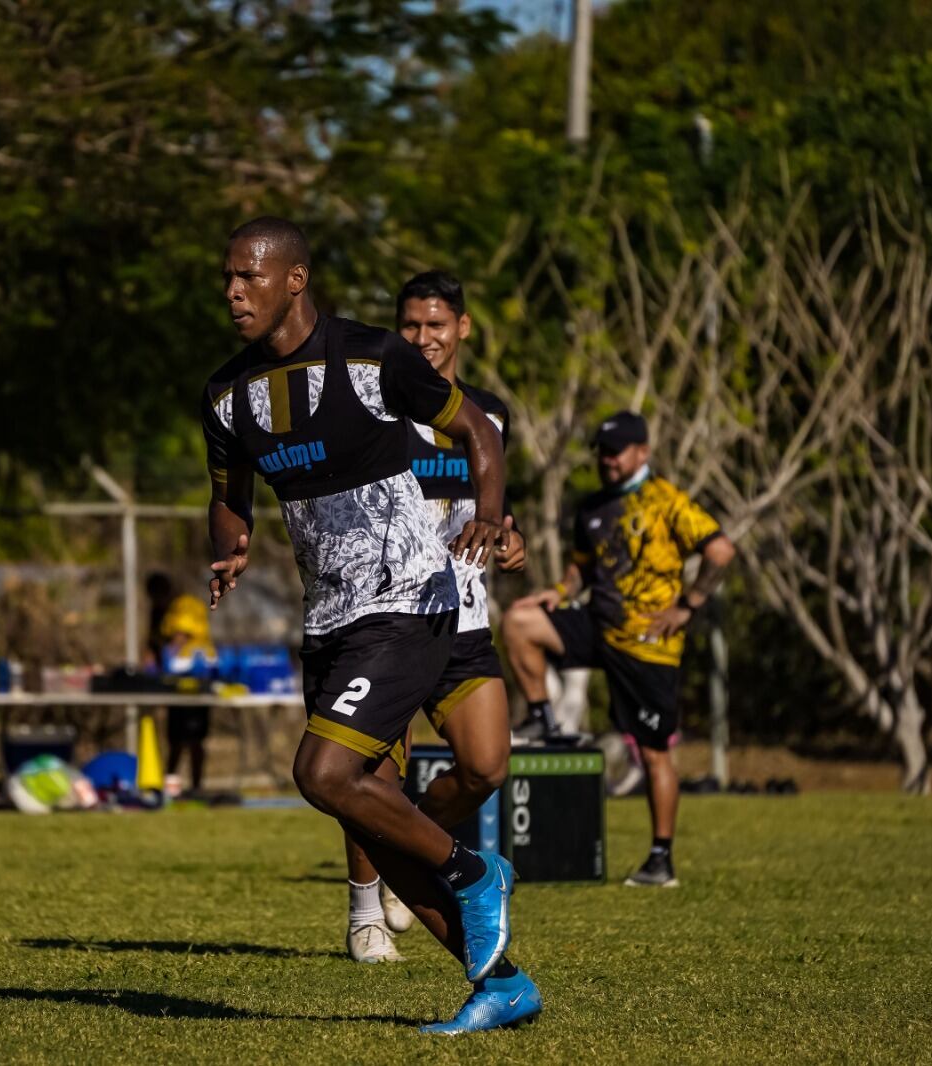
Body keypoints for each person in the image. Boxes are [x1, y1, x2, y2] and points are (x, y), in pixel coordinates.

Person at [204, 217, 539, 1034]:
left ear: (295, 279)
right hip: (330, 620)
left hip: (409, 601)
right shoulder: (225, 395)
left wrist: (492, 516)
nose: (233, 291)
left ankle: (472, 869)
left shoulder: (373, 357)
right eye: (227, 277)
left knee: (321, 775)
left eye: (249, 276)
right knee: (372, 818)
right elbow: (228, 494)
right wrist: (232, 546)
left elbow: (480, 431)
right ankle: (501, 983)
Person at [336, 270, 527, 965]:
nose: (423, 340)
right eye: (410, 328)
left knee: (485, 766)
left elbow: (494, 506)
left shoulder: (491, 414)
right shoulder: (372, 411)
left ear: (463, 329)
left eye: (436, 327)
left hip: (463, 619)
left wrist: (509, 535)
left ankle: (405, 861)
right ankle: (365, 914)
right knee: (370, 773)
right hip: (385, 619)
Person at [502, 412, 736, 888]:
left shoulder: (666, 501)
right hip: (598, 627)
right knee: (519, 621)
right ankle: (544, 720)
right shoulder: (592, 507)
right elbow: (582, 569)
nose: (608, 460)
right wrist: (560, 592)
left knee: (653, 756)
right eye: (603, 452)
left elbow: (720, 551)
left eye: (618, 451)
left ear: (643, 452)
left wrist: (687, 606)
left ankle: (660, 859)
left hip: (648, 647)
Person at [145, 572, 215, 792]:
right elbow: (154, 643)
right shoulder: (160, 611)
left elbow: (182, 636)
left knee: (194, 738)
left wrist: (168, 653)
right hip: (174, 679)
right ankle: (171, 783)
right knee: (175, 737)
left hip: (195, 676)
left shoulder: (184, 605)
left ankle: (196, 786)